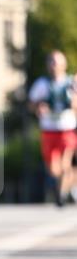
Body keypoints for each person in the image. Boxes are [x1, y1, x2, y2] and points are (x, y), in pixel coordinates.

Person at [28, 51, 77, 206]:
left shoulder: (71, 82)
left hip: (66, 128)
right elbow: (31, 104)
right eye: (52, 62)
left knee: (65, 163)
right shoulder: (41, 84)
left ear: (64, 65)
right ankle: (65, 186)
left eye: (57, 62)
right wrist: (38, 108)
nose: (54, 66)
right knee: (53, 169)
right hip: (48, 130)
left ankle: (61, 195)